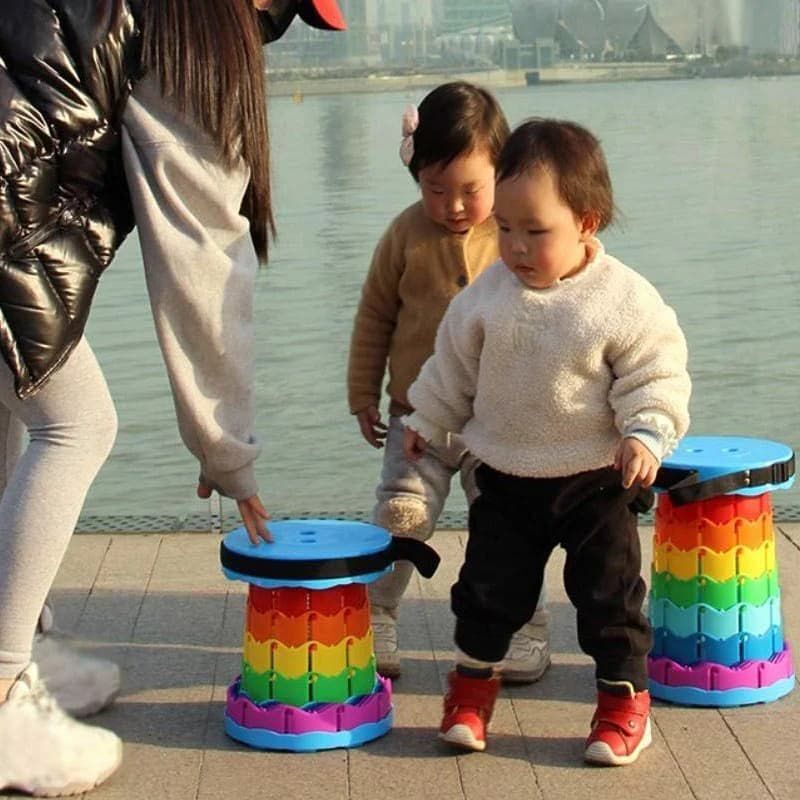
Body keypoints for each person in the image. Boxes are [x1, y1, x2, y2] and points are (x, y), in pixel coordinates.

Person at [0, 0, 345, 795]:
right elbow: (203, 258)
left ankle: (19, 647)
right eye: (281, 10)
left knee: (15, 397)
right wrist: (227, 449)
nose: (270, 28)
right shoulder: (193, 30)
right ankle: (4, 695)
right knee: (77, 426)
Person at [403, 118, 691, 765]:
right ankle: (470, 694)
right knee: (486, 594)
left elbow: (656, 373)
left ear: (587, 222)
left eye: (536, 232)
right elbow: (452, 368)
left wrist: (646, 432)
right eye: (504, 228)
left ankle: (622, 705)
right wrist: (427, 418)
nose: (516, 247)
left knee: (609, 598)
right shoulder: (487, 297)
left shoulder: (623, 299)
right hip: (505, 475)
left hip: (597, 479)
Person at [347, 82, 551, 682]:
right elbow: (375, 317)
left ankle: (524, 627)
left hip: (501, 417)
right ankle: (375, 614)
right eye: (436, 190)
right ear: (416, 175)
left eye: (470, 190)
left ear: (503, 173)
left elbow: (557, 312)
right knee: (402, 512)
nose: (454, 205)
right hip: (416, 415)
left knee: (509, 527)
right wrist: (362, 393)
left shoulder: (517, 238)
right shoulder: (405, 235)